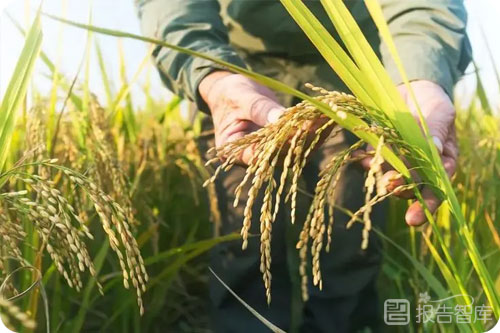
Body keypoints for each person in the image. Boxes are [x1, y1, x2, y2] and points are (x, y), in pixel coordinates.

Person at [136, 0, 471, 331]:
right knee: (243, 238)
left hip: (351, 65)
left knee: (348, 238)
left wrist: (420, 78)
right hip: (235, 65)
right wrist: (210, 72)